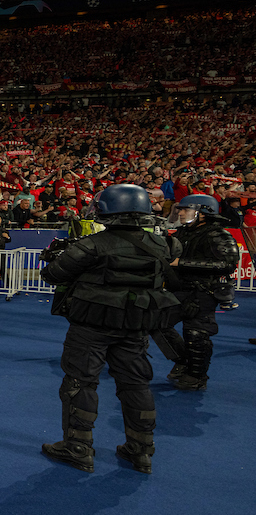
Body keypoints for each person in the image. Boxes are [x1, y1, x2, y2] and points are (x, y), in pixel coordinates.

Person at [39, 184, 181, 474]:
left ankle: (78, 448)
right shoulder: (164, 244)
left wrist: (53, 256)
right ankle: (141, 451)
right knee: (136, 384)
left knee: (80, 382)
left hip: (92, 326)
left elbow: (52, 274)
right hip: (136, 325)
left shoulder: (91, 245)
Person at [165, 194, 241, 391]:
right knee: (157, 323)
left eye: (185, 209)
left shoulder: (218, 235)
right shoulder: (182, 233)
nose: (180, 213)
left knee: (196, 335)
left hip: (203, 292)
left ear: (202, 213)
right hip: (178, 289)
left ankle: (196, 376)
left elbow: (228, 263)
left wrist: (181, 263)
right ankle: (182, 360)